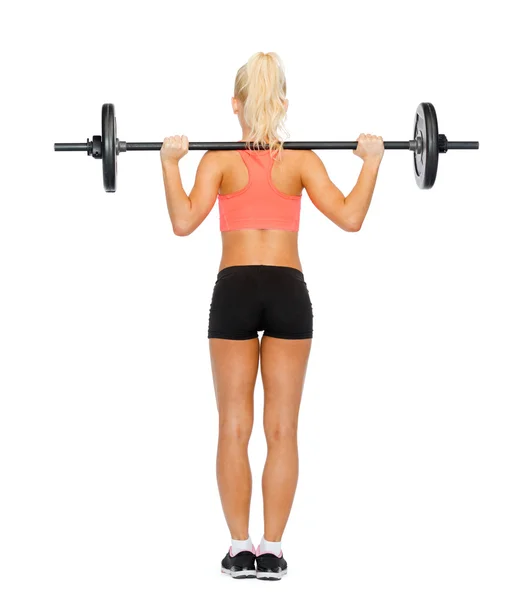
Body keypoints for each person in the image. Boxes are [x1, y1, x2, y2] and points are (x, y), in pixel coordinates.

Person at [160, 51, 384, 580]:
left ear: (234, 104)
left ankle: (240, 549)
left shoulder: (217, 159)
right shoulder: (302, 160)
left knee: (234, 426)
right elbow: (350, 217)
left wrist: (170, 163)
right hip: (287, 289)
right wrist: (371, 161)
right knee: (282, 428)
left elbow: (183, 223)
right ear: (283, 102)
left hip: (235, 289)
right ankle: (274, 550)